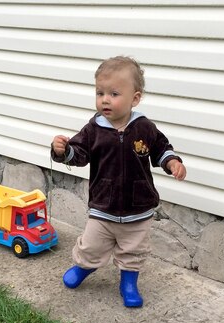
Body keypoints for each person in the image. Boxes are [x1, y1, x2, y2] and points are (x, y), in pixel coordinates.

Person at [51, 56, 187, 308]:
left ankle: (129, 283)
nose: (105, 99)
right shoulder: (94, 129)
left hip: (138, 207)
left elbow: (160, 148)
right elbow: (79, 154)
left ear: (135, 98)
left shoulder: (144, 128)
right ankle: (83, 268)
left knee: (133, 250)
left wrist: (172, 162)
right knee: (91, 245)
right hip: (103, 205)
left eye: (114, 93)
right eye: (100, 92)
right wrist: (63, 151)